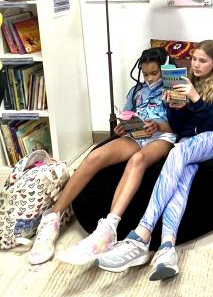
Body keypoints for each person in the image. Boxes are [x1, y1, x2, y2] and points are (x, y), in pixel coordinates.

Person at [96, 40, 213, 281]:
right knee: (182, 179)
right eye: (194, 59)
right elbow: (180, 126)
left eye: (203, 61)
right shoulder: (185, 82)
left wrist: (194, 98)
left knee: (177, 153)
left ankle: (142, 233)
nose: (196, 64)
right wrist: (175, 107)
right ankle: (166, 248)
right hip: (189, 141)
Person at [28, 47, 177, 266]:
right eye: (146, 74)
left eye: (155, 73)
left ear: (164, 69)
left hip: (162, 137)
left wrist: (158, 125)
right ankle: (52, 218)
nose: (150, 79)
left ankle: (108, 229)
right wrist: (122, 128)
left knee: (137, 160)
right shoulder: (136, 92)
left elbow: (181, 125)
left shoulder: (174, 89)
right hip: (135, 136)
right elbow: (127, 116)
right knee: (94, 157)